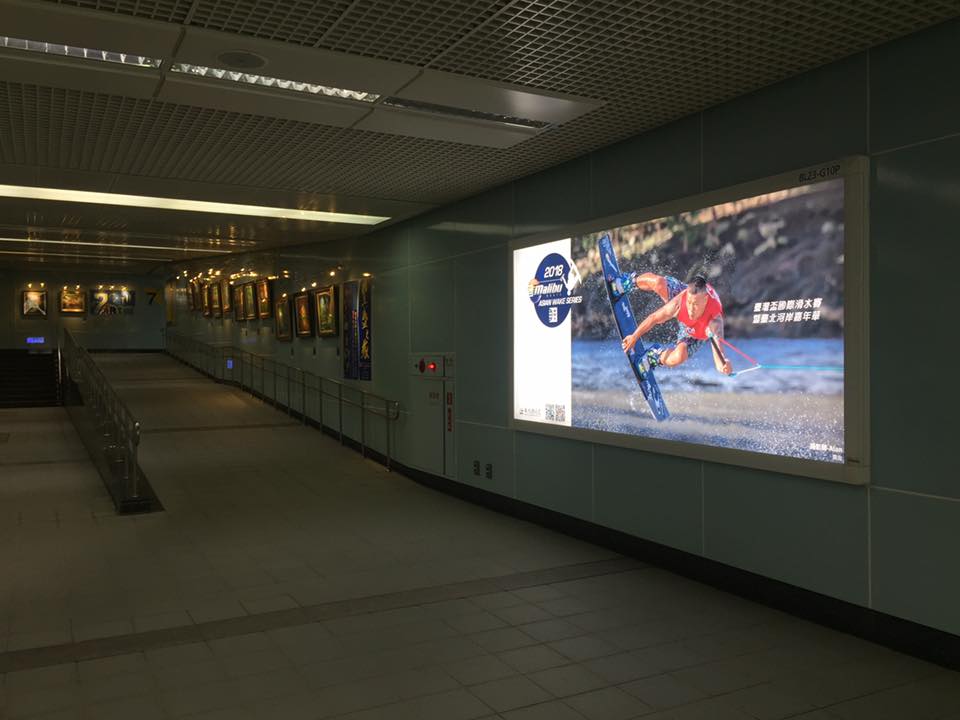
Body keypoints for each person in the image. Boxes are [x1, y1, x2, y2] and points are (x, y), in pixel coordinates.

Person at [618, 267, 733, 375]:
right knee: (658, 282)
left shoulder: (714, 321)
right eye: (689, 303)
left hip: (695, 333)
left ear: (705, 300)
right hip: (684, 302)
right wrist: (634, 337)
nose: (691, 309)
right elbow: (654, 318)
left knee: (679, 356)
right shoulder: (679, 302)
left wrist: (724, 366)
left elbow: (719, 356)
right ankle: (629, 282)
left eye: (696, 305)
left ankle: (654, 357)